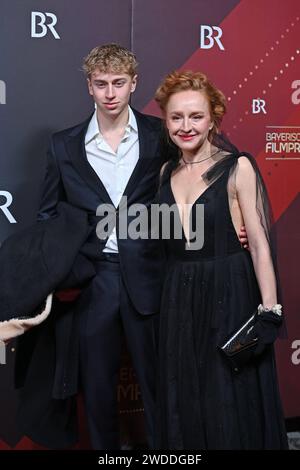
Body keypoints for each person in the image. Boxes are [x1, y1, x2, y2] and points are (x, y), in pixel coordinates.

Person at [154, 70, 288, 449]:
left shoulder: (237, 166)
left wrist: (269, 311)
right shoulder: (166, 172)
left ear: (213, 117)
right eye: (176, 117)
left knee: (228, 394)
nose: (185, 126)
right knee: (186, 395)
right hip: (178, 297)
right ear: (166, 121)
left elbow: (260, 244)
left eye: (196, 116)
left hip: (229, 292)